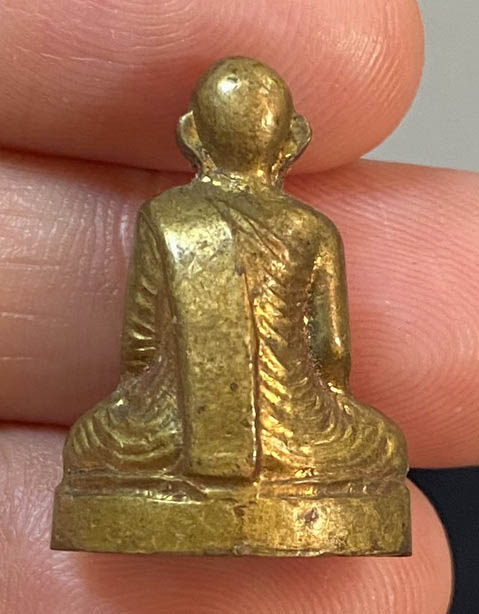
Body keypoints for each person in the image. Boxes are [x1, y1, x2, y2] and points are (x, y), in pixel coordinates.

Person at [2, 0, 476, 611]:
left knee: (92, 441)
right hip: (301, 438)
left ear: (192, 135)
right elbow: (331, 353)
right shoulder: (309, 229)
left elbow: (140, 349)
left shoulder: (166, 218)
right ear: (293, 139)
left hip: (166, 437)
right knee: (380, 446)